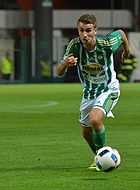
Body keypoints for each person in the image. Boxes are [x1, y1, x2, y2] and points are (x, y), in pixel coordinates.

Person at [57, 14, 130, 171]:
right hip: (89, 93)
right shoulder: (74, 46)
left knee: (95, 120)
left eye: (88, 30)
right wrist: (65, 64)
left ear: (95, 30)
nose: (85, 35)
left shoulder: (107, 44)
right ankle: (99, 157)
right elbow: (59, 72)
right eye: (81, 31)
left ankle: (102, 157)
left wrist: (127, 51)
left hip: (109, 89)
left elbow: (121, 33)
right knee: (86, 132)